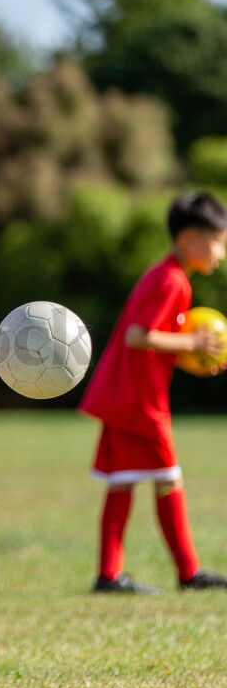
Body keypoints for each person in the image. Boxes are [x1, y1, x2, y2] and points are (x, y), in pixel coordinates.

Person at [78, 192, 227, 594]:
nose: (222, 253)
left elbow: (153, 342)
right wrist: (193, 346)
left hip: (127, 395)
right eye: (219, 241)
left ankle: (110, 574)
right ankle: (188, 573)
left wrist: (192, 358)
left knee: (123, 481)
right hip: (138, 401)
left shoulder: (170, 276)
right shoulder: (171, 280)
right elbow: (138, 336)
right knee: (169, 479)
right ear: (190, 239)